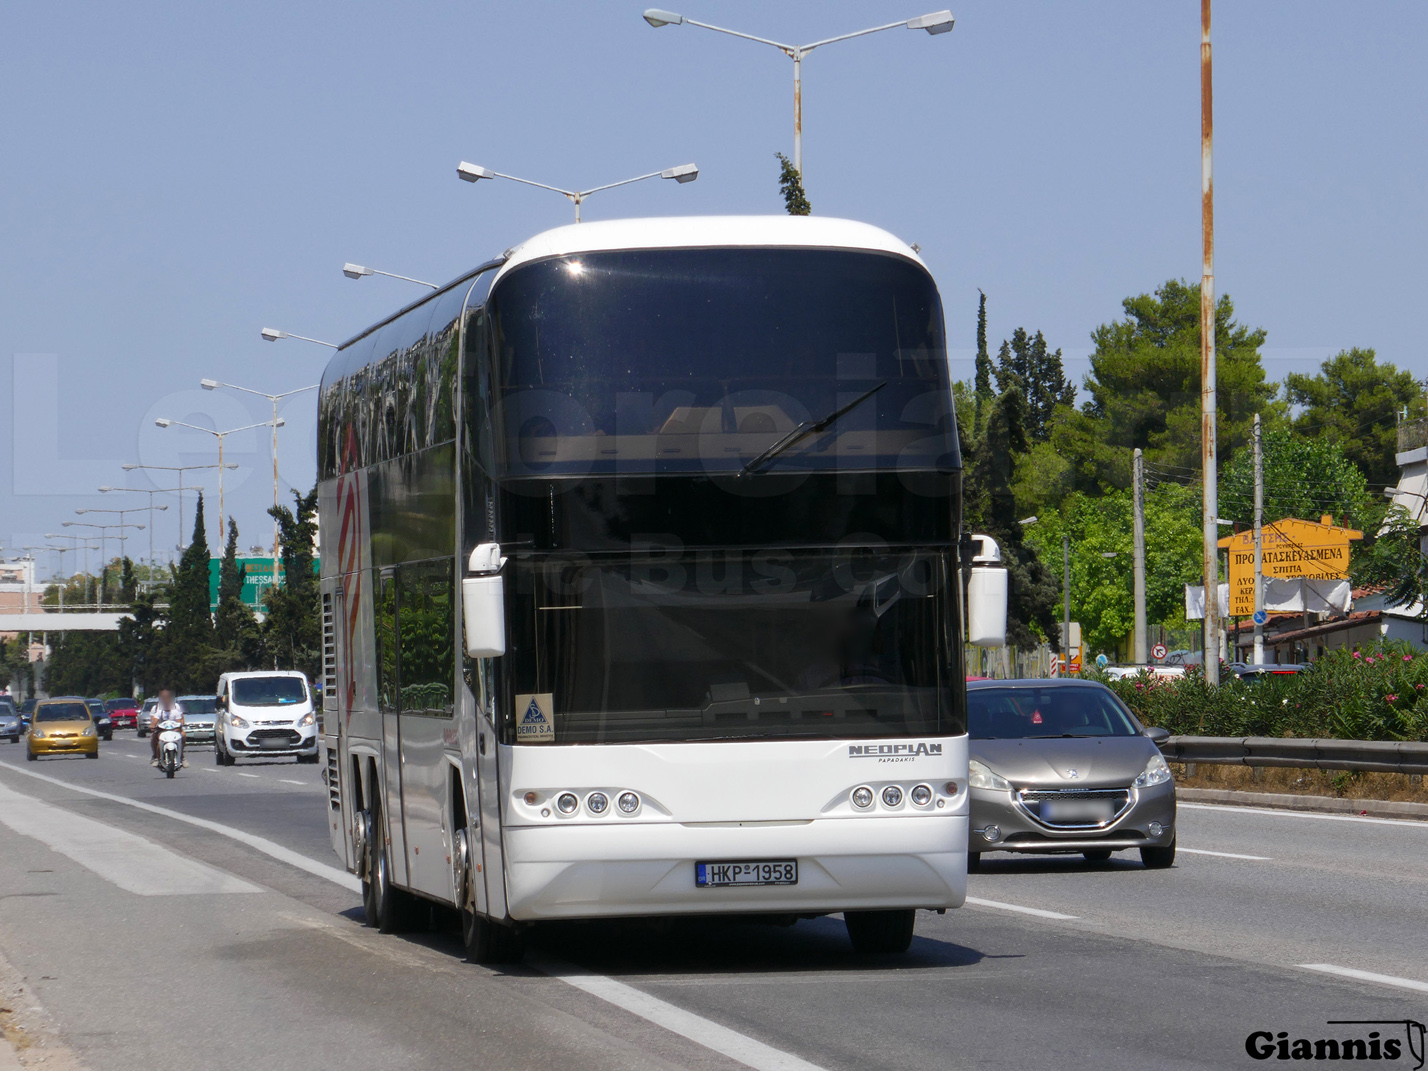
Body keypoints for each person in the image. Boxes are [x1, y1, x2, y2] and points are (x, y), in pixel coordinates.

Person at [149, 688, 186, 767]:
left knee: (183, 735)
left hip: (174, 730)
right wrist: (152, 725)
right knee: (154, 737)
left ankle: (182, 756)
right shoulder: (159, 711)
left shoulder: (176, 711)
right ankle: (156, 756)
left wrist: (179, 726)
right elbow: (154, 721)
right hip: (162, 731)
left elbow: (180, 721)